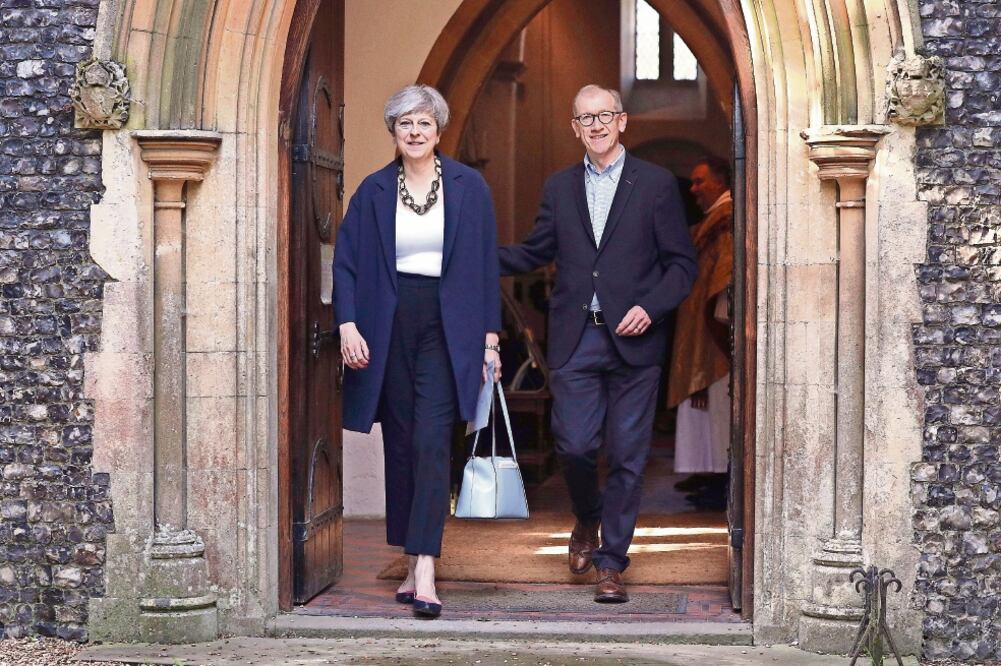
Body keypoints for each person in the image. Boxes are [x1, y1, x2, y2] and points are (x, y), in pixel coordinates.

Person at [498, 84, 697, 603]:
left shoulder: (654, 185)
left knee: (629, 457)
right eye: (585, 118)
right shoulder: (559, 187)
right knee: (576, 446)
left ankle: (611, 563)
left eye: (605, 115)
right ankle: (587, 518)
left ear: (623, 120)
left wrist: (649, 307)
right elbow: (536, 250)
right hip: (575, 339)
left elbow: (682, 265)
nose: (596, 125)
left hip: (636, 343)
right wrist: (472, 252)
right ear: (574, 127)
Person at [333, 84, 502, 619]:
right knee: (402, 444)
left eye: (424, 123)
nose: (414, 132)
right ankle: (410, 558)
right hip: (388, 322)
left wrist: (490, 339)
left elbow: (484, 266)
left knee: (432, 440)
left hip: (449, 325)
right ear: (393, 131)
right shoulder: (374, 190)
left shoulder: (469, 188)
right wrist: (347, 324)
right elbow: (347, 263)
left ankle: (426, 566)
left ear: (439, 130)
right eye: (405, 123)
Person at [666, 157, 734, 511]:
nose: (693, 189)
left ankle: (721, 476)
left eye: (699, 181)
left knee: (720, 406)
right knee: (705, 409)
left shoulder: (727, 219)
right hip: (700, 324)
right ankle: (708, 472)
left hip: (716, 329)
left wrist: (720, 314)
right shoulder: (713, 219)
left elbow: (725, 271)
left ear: (721, 182)